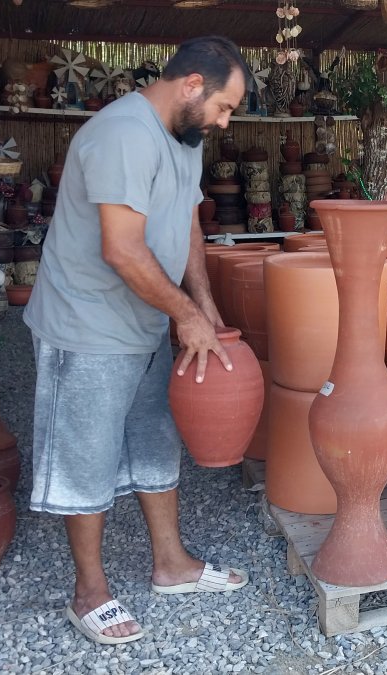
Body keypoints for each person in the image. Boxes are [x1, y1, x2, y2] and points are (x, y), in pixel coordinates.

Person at [23, 36, 251, 645]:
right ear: (192, 85)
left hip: (144, 320)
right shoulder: (122, 134)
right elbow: (121, 249)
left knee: (154, 440)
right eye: (225, 107)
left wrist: (202, 307)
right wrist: (184, 315)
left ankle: (171, 565)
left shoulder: (185, 139)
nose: (225, 122)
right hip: (86, 325)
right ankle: (89, 592)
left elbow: (188, 230)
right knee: (86, 457)